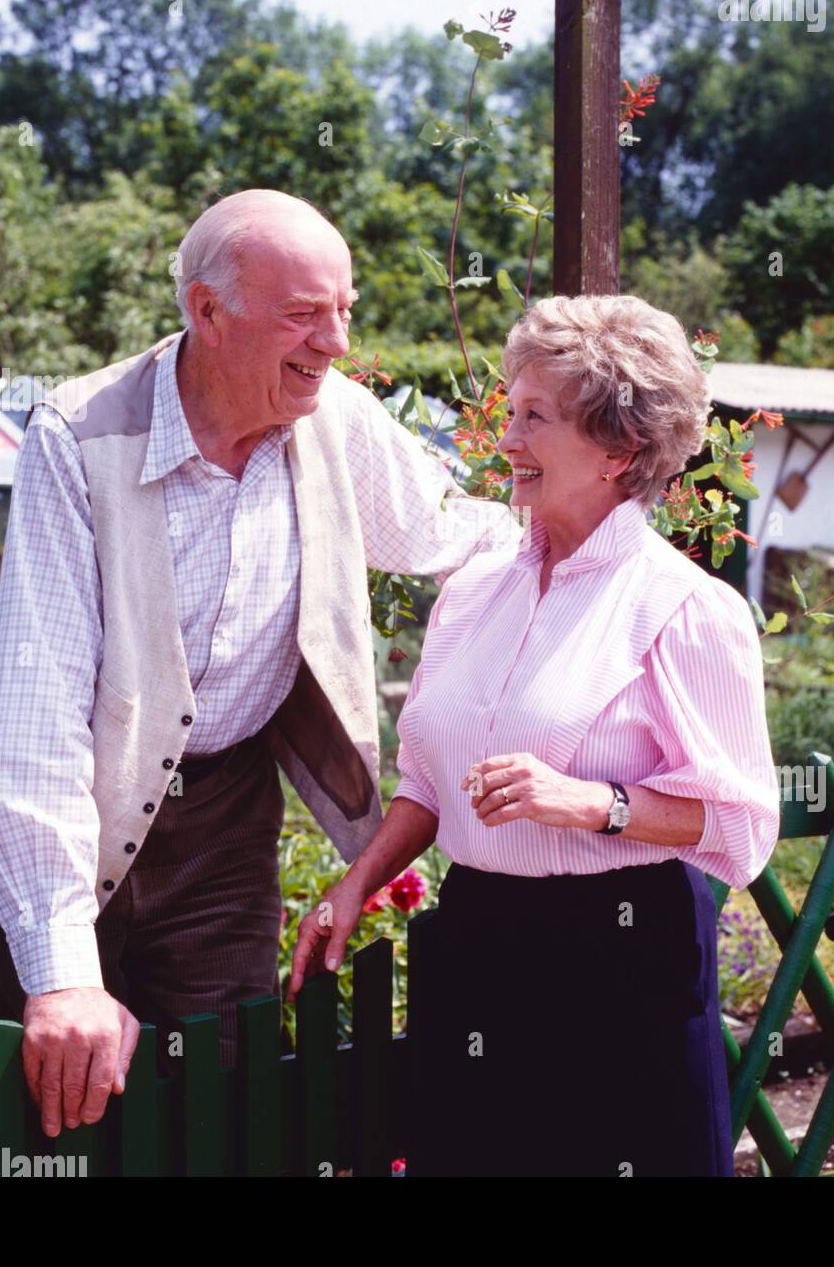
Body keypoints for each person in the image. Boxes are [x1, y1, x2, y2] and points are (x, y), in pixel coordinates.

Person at [0, 189, 520, 1141]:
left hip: (220, 814)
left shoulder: (337, 419)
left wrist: (605, 543)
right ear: (205, 312)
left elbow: (464, 537)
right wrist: (63, 972)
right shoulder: (78, 439)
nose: (334, 342)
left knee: (215, 1092)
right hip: (40, 796)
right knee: (56, 1103)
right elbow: (35, 725)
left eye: (344, 311)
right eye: (301, 314)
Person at [289, 293, 779, 1176]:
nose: (505, 441)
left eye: (534, 419)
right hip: (478, 943)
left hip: (621, 963)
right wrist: (358, 881)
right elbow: (431, 787)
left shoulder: (687, 609)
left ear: (618, 451)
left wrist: (592, 803)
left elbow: (740, 824)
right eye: (510, 413)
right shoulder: (473, 592)